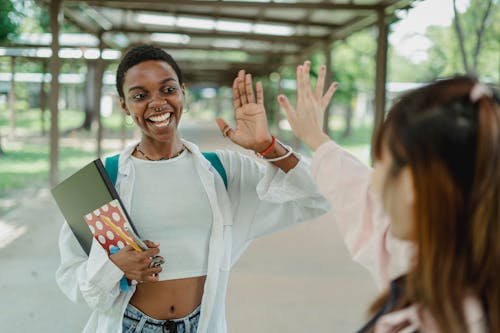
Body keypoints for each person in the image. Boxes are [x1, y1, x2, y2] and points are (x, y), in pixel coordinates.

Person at [55, 45, 331, 333]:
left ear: (183, 92)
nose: (157, 102)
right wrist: (114, 267)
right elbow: (73, 279)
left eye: (167, 89)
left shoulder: (224, 172)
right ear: (124, 105)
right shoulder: (98, 183)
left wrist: (268, 146)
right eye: (140, 95)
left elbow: (318, 196)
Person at [279, 61, 499, 332]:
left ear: (410, 186)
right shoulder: (441, 257)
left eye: (379, 161)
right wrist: (316, 138)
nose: (373, 181)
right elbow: (361, 197)